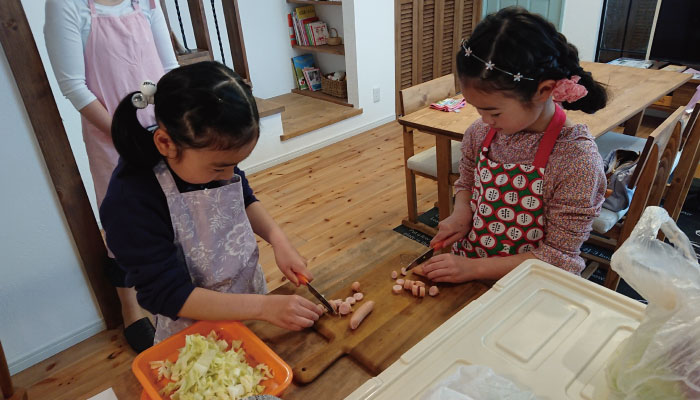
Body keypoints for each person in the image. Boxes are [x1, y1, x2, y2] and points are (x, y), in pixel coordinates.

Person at [100, 61, 323, 343]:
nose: (229, 176)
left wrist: (279, 240)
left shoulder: (212, 157)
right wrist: (263, 307)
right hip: (193, 332)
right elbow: (166, 294)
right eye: (219, 169)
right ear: (166, 143)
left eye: (236, 164)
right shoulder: (129, 202)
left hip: (248, 301)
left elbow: (244, 198)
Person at [422, 7, 608, 283]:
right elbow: (467, 183)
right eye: (477, 109)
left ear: (543, 91)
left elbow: (559, 257)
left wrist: (472, 269)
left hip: (528, 288)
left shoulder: (576, 160)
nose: (484, 120)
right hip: (470, 268)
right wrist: (462, 213)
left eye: (494, 112)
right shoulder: (480, 133)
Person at [44, 0, 180, 351]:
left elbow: (167, 68)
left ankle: (176, 287)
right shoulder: (67, 6)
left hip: (161, 129)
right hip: (111, 138)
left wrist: (169, 123)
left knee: (171, 206)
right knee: (124, 218)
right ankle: (131, 308)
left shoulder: (145, 2)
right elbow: (74, 86)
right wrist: (127, 136)